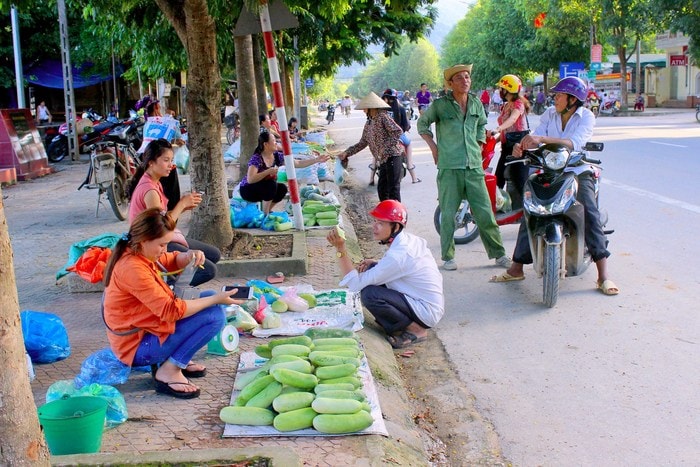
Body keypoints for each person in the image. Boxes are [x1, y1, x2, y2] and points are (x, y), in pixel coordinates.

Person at [490, 76, 619, 296]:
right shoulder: (550, 114)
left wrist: (540, 139)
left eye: (559, 95)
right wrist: (522, 146)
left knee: (589, 210)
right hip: (549, 168)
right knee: (531, 207)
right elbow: (535, 135)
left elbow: (574, 143)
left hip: (578, 170)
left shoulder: (586, 116)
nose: (555, 98)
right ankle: (516, 268)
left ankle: (603, 275)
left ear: (572, 99)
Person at [102, 208, 244, 399]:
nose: (164, 249)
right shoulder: (132, 268)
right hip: (138, 347)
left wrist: (186, 257)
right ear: (144, 240)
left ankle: (177, 359)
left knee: (210, 298)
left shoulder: (138, 251)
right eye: (162, 244)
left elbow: (166, 260)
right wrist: (215, 299)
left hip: (148, 331)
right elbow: (171, 311)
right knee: (214, 315)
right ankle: (170, 369)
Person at [417, 64, 511, 271]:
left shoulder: (476, 103)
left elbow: (481, 126)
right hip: (449, 167)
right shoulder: (440, 105)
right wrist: (434, 148)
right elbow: (422, 125)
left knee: (485, 212)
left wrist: (478, 145)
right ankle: (448, 257)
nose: (465, 80)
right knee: (448, 214)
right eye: (459, 78)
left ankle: (499, 254)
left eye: (467, 77)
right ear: (450, 84)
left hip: (474, 167)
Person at [326, 200, 444, 349]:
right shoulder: (406, 241)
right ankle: (397, 321)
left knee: (370, 294)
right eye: (375, 221)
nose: (374, 227)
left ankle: (416, 330)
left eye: (381, 223)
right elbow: (402, 266)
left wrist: (340, 247)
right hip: (426, 301)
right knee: (370, 270)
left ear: (395, 226)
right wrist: (377, 263)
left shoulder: (398, 256)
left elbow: (354, 285)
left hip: (426, 311)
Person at [128, 138, 220, 287]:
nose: (171, 165)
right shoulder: (150, 190)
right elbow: (160, 227)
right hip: (151, 242)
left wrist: (183, 207)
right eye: (166, 160)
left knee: (213, 254)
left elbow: (161, 216)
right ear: (151, 162)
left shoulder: (154, 182)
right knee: (208, 270)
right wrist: (181, 204)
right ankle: (166, 290)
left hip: (161, 236)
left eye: (171, 160)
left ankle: (173, 285)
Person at [240, 130, 329, 215]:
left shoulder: (277, 156)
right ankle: (265, 214)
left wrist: (316, 160)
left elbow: (297, 163)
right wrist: (267, 172)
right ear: (266, 144)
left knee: (282, 188)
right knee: (271, 184)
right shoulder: (257, 158)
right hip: (248, 190)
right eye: (274, 141)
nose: (276, 143)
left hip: (264, 188)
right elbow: (250, 179)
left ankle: (267, 211)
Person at [338, 92, 404, 202]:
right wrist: (347, 152)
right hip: (382, 159)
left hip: (393, 156)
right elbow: (362, 142)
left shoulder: (383, 117)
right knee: (382, 189)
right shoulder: (369, 123)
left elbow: (397, 132)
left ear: (372, 108)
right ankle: (386, 214)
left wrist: (385, 148)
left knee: (393, 189)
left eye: (365, 108)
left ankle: (396, 217)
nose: (364, 111)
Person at [492, 74, 531, 206]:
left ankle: (529, 210)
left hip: (518, 148)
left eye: (501, 88)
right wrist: (494, 139)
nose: (499, 91)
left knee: (519, 180)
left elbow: (513, 119)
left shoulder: (518, 104)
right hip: (506, 147)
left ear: (507, 90)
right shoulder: (506, 105)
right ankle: (495, 207)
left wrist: (498, 128)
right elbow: (506, 131)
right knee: (497, 178)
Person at [381, 88, 420, 184]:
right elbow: (406, 125)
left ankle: (371, 178)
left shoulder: (380, 110)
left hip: (384, 137)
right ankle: (413, 176)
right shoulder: (400, 109)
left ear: (385, 98)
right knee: (409, 144)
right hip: (399, 136)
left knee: (377, 152)